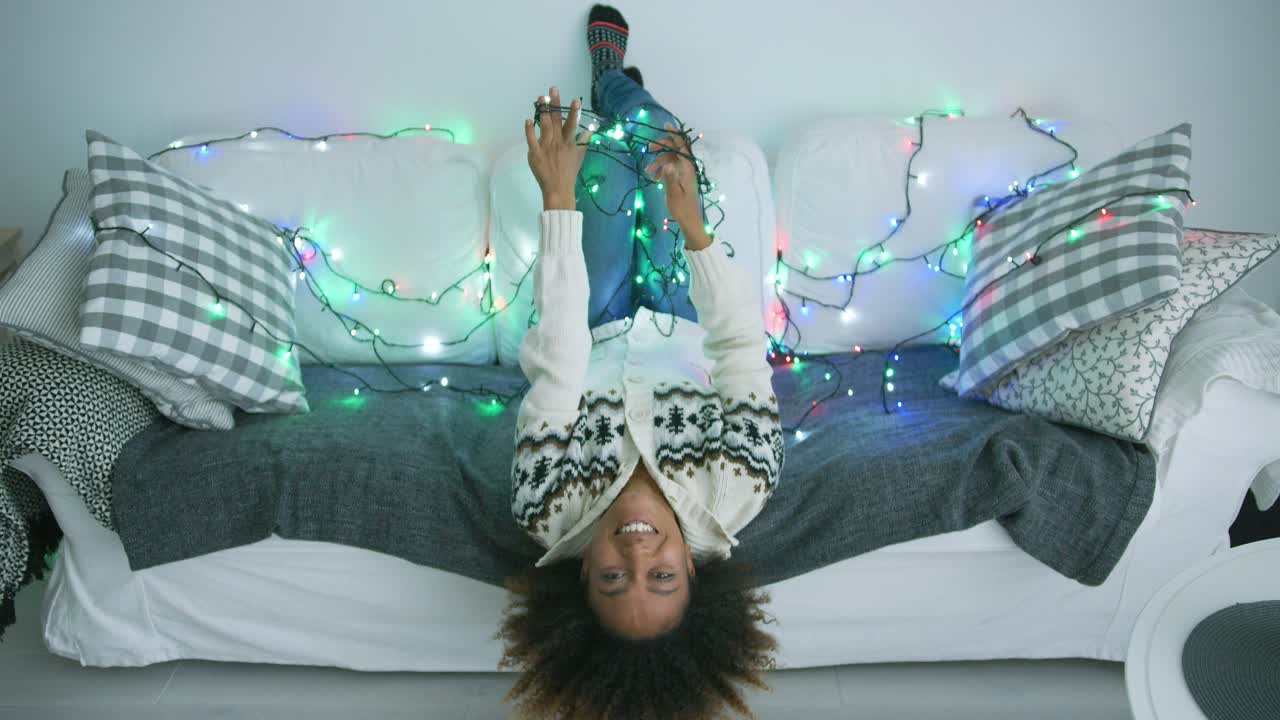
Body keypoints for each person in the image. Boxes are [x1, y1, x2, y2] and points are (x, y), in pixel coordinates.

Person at [497, 6, 785, 719]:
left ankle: (612, 88)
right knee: (658, 143)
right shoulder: (738, 491)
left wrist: (557, 200)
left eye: (611, 581)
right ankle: (617, 83)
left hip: (591, 325)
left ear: (582, 577)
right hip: (684, 313)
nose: (634, 557)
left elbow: (557, 369)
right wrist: (692, 228)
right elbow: (743, 353)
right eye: (659, 577)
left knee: (602, 168)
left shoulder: (544, 506)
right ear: (691, 567)